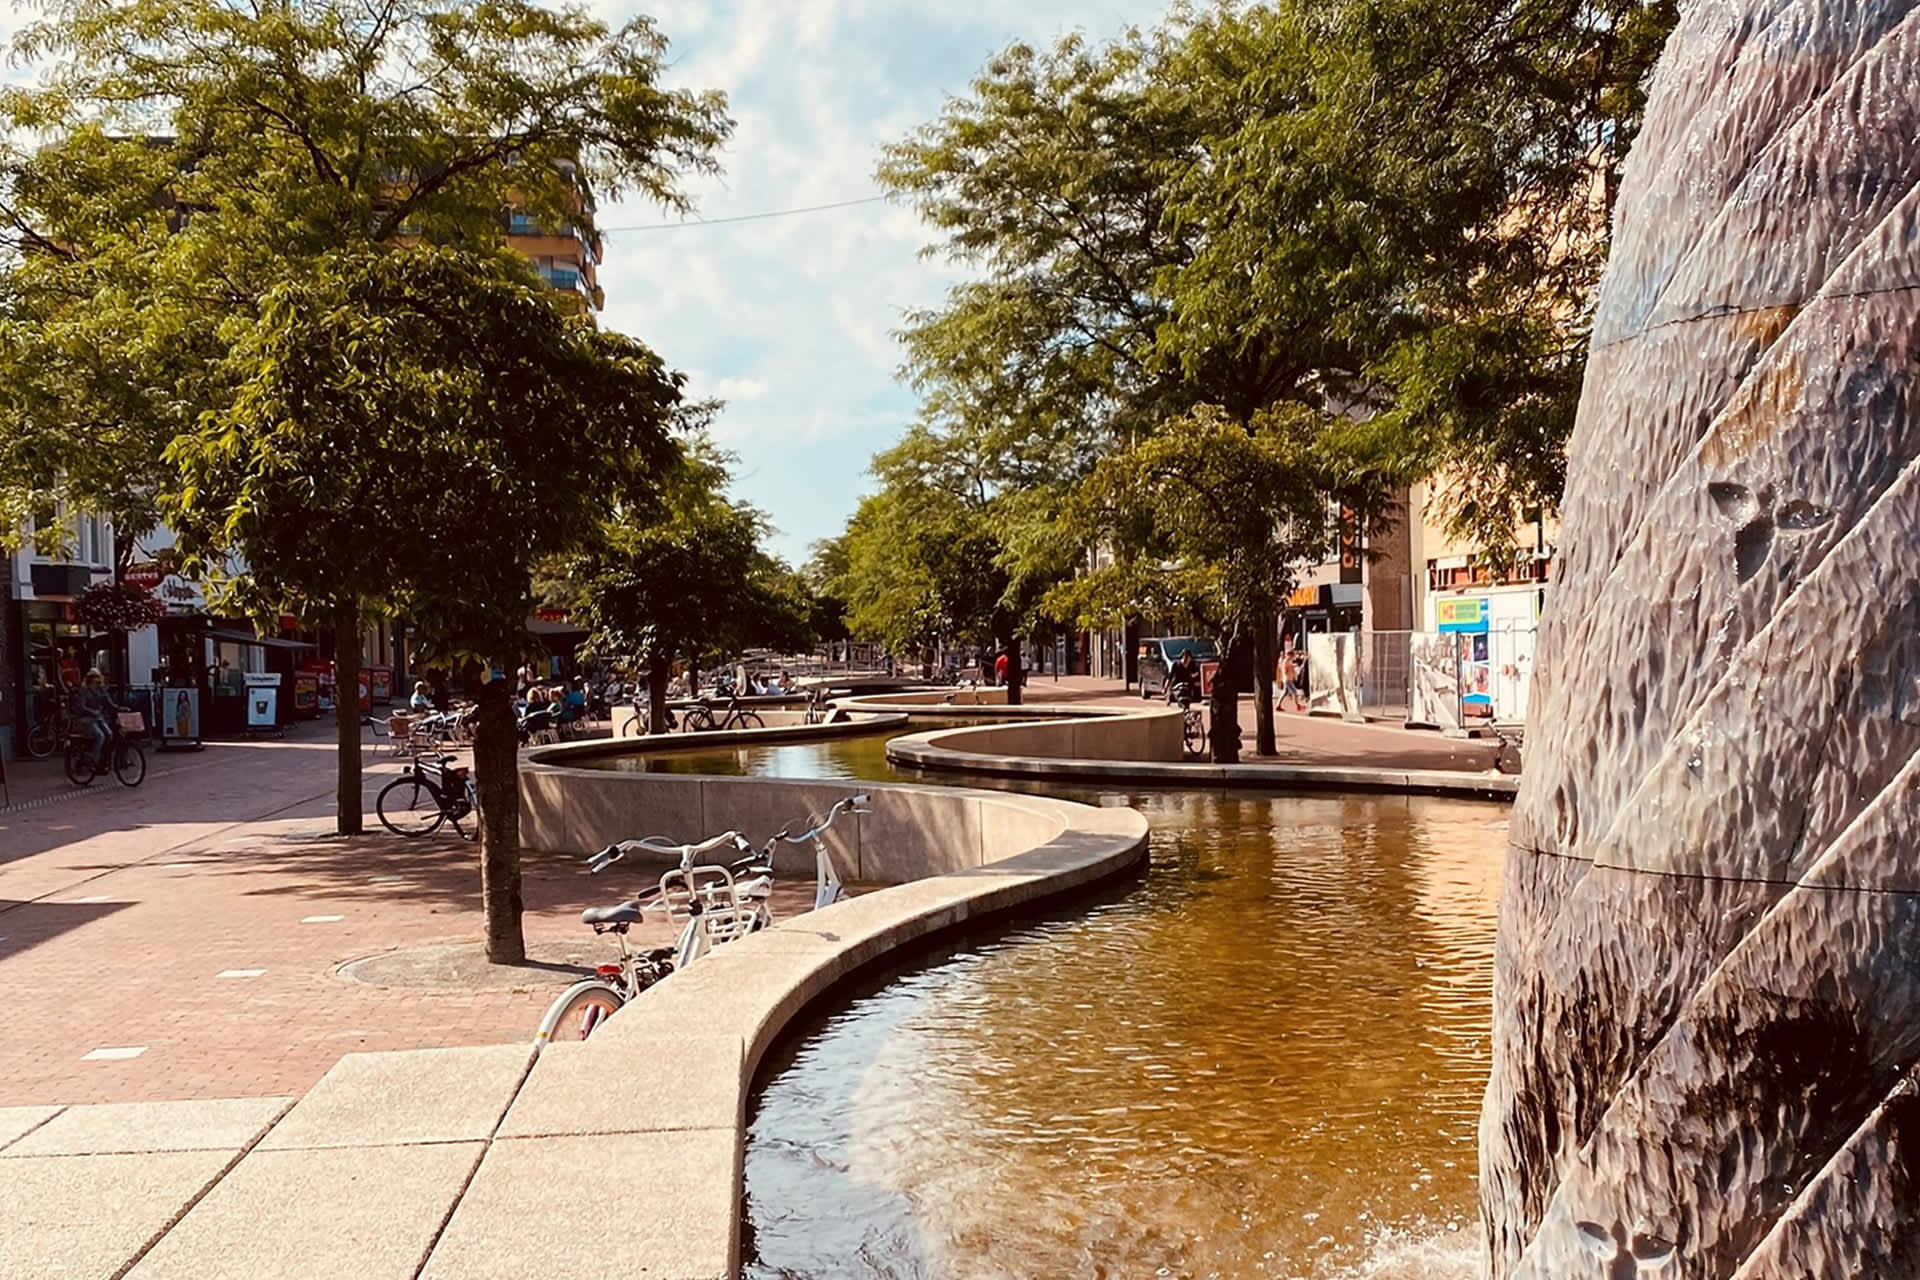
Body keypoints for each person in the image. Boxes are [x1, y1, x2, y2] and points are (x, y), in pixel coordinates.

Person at [69, 668, 121, 771]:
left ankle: (104, 759)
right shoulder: (84, 690)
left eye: (99, 677)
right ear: (91, 679)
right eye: (96, 677)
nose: (98, 679)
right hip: (87, 719)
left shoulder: (101, 690)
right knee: (100, 736)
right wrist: (92, 711)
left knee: (110, 734)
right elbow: (81, 706)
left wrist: (119, 708)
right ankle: (94, 761)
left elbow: (109, 703)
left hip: (98, 718)